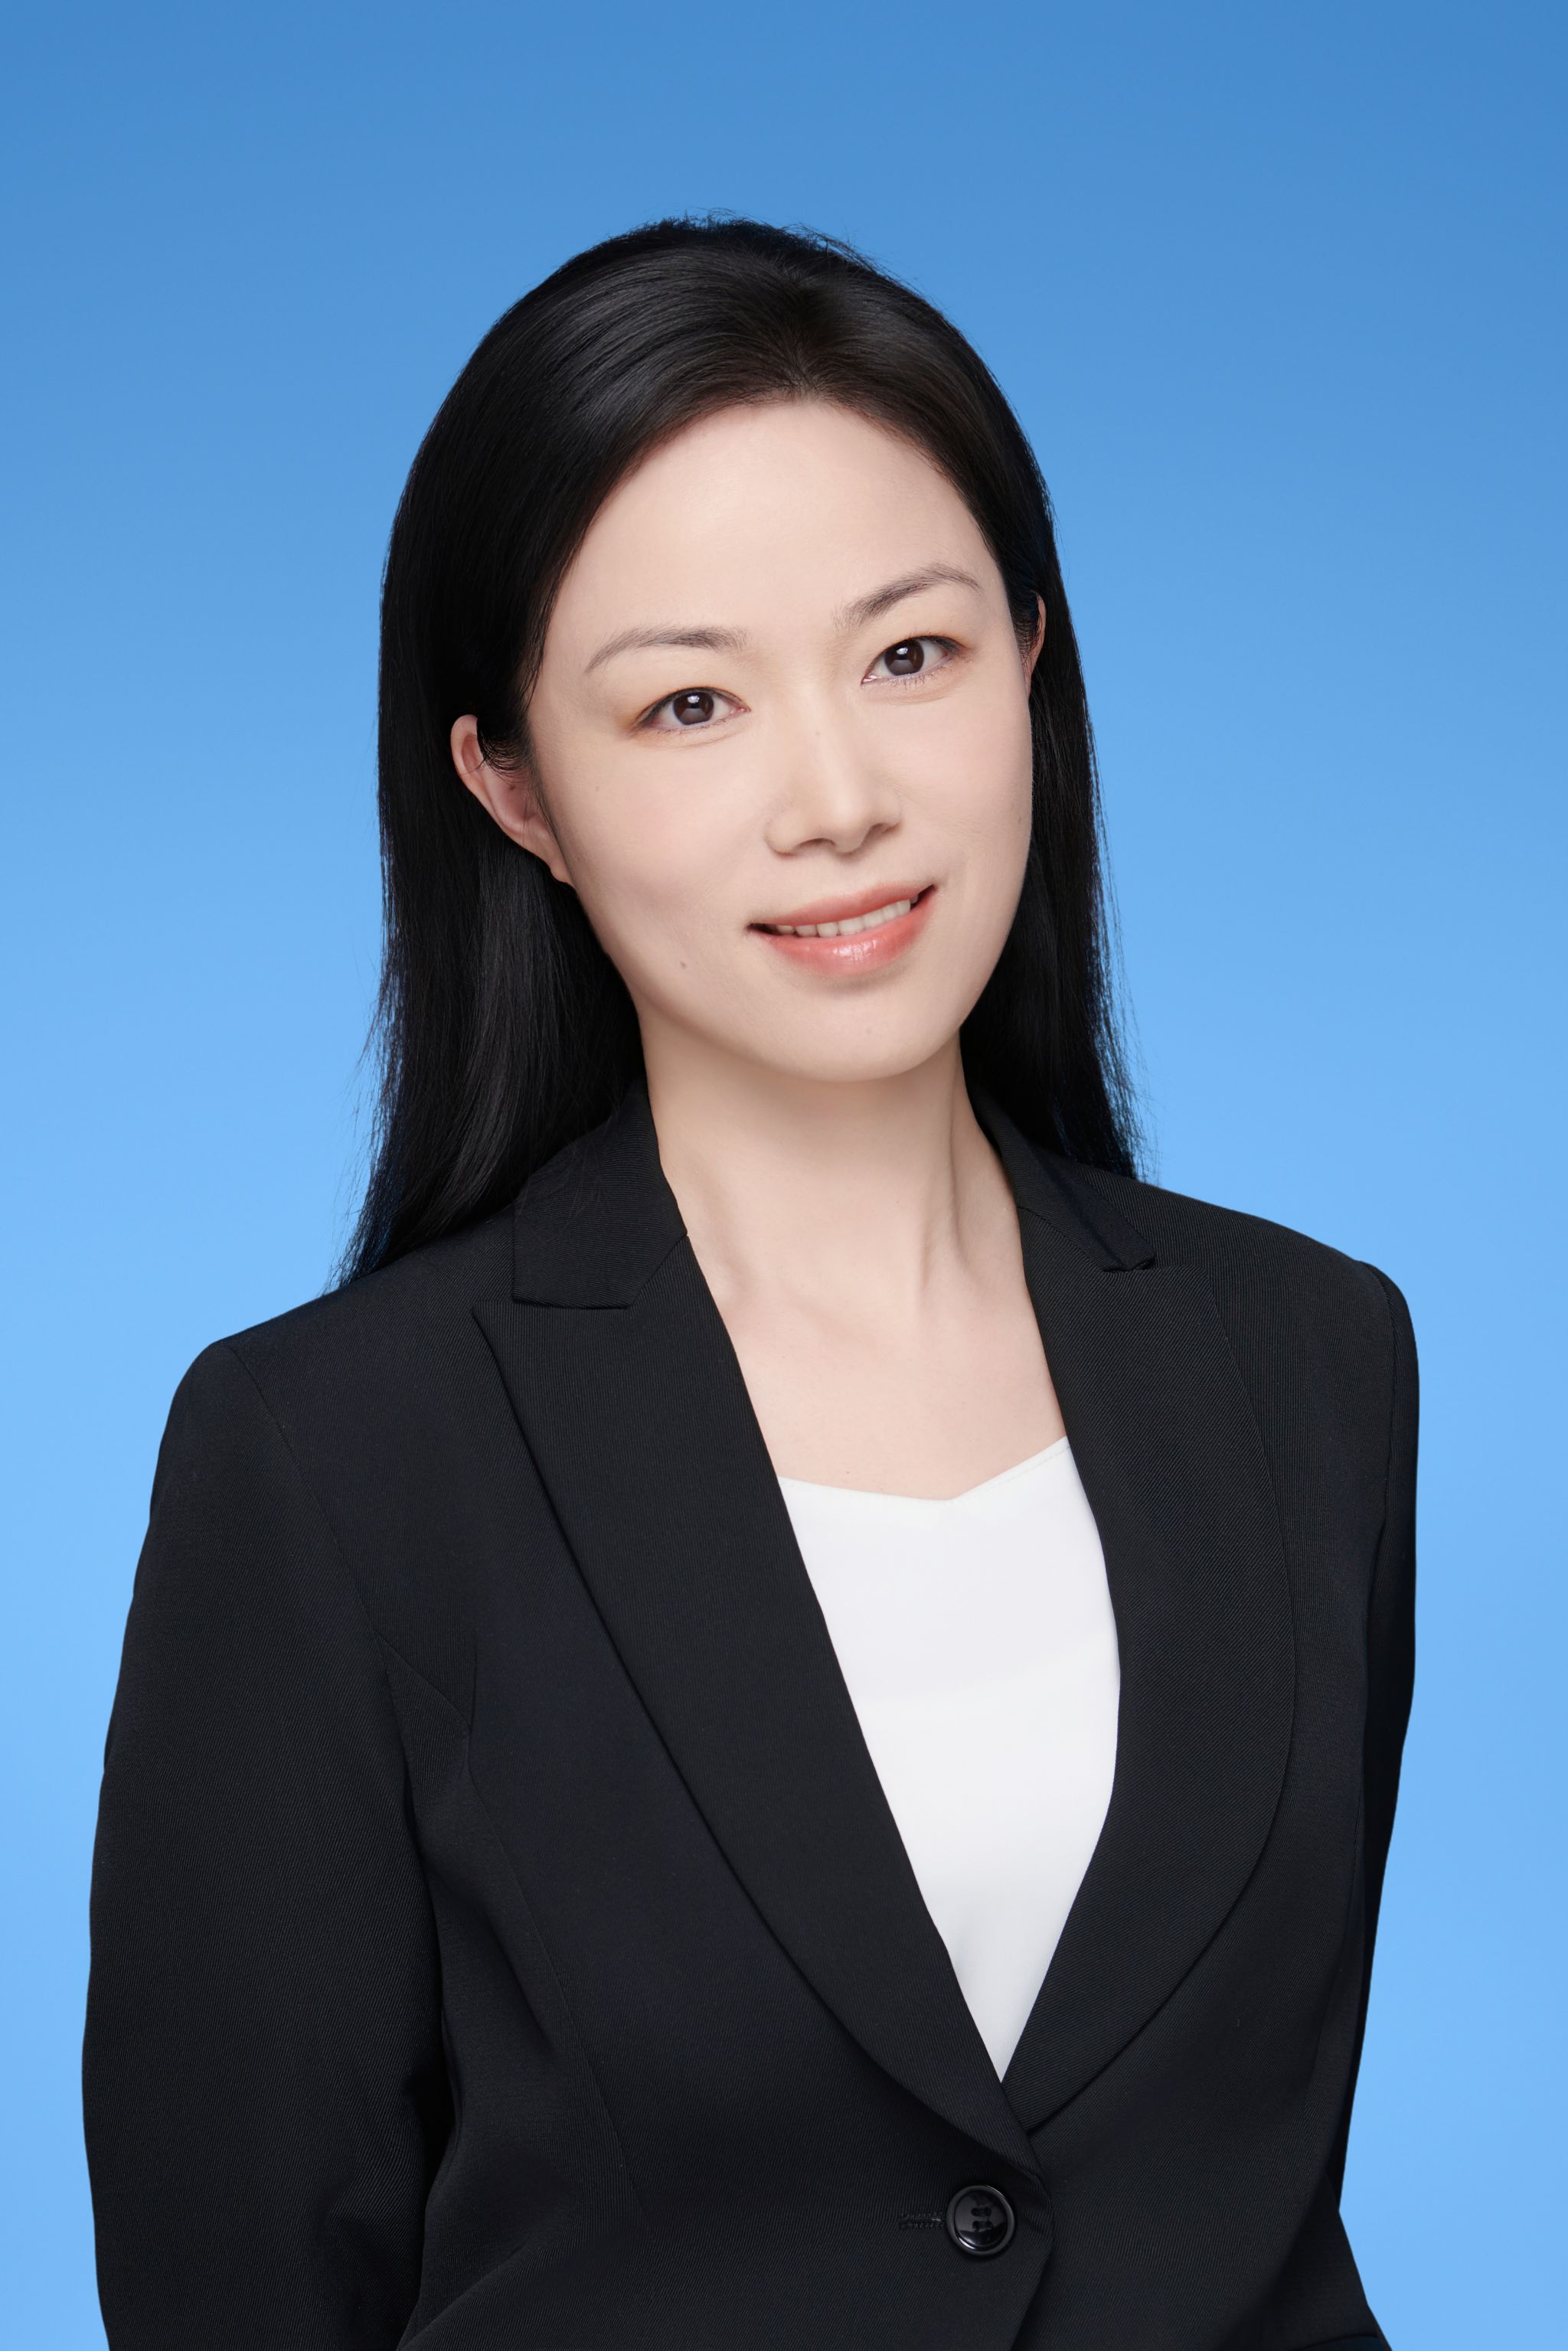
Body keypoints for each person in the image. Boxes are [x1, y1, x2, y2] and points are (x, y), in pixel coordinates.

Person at [81, 217, 1417, 2351]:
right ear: (515, 787)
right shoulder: (332, 1456)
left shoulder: (1313, 1359)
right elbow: (240, 2271)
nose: (840, 803)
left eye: (913, 655)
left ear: (1034, 659)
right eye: (690, 702)